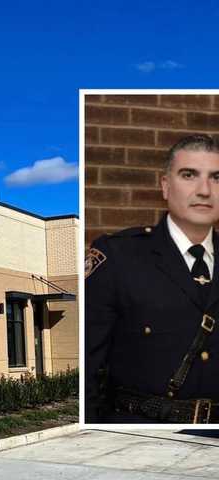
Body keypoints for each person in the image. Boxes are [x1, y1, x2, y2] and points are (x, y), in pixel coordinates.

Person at [86, 134, 219, 424]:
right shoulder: (119, 257)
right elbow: (88, 370)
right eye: (189, 175)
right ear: (165, 186)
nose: (205, 190)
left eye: (216, 177)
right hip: (142, 435)